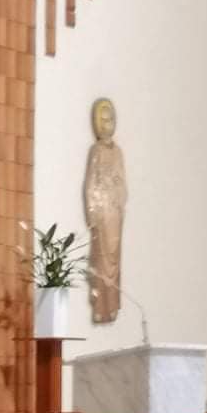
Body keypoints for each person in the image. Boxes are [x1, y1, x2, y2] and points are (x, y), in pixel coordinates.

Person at [85, 97, 127, 323]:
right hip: (101, 214)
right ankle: (101, 305)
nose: (108, 124)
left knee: (114, 259)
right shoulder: (96, 151)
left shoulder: (117, 152)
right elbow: (91, 183)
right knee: (101, 259)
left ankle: (113, 304)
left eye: (110, 119)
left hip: (114, 213)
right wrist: (92, 212)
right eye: (103, 120)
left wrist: (119, 198)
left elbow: (122, 182)